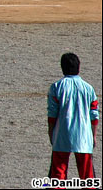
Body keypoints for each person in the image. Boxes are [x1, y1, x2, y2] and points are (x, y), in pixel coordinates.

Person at [47, 52, 98, 182]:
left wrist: (51, 132)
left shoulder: (56, 87)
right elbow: (94, 115)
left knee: (57, 177)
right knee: (88, 178)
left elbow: (52, 114)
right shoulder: (89, 88)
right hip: (84, 136)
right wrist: (93, 135)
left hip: (62, 135)